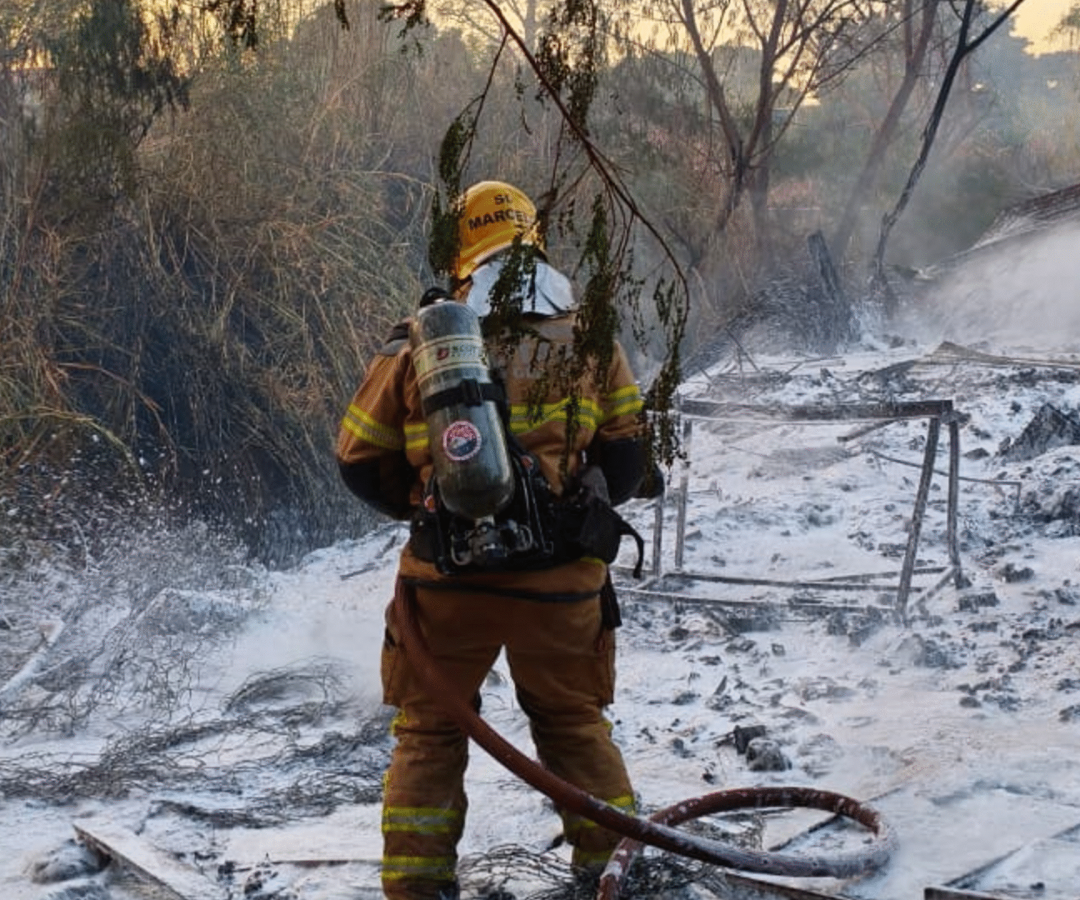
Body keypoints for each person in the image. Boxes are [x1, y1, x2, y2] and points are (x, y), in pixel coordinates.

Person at [336, 180, 655, 900]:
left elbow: (356, 459)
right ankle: (611, 879)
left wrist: (427, 507)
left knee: (430, 734)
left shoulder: (420, 342)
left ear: (461, 259)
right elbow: (631, 464)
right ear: (533, 244)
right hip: (563, 587)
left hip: (447, 584)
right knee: (574, 725)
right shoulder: (590, 335)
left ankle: (418, 891)